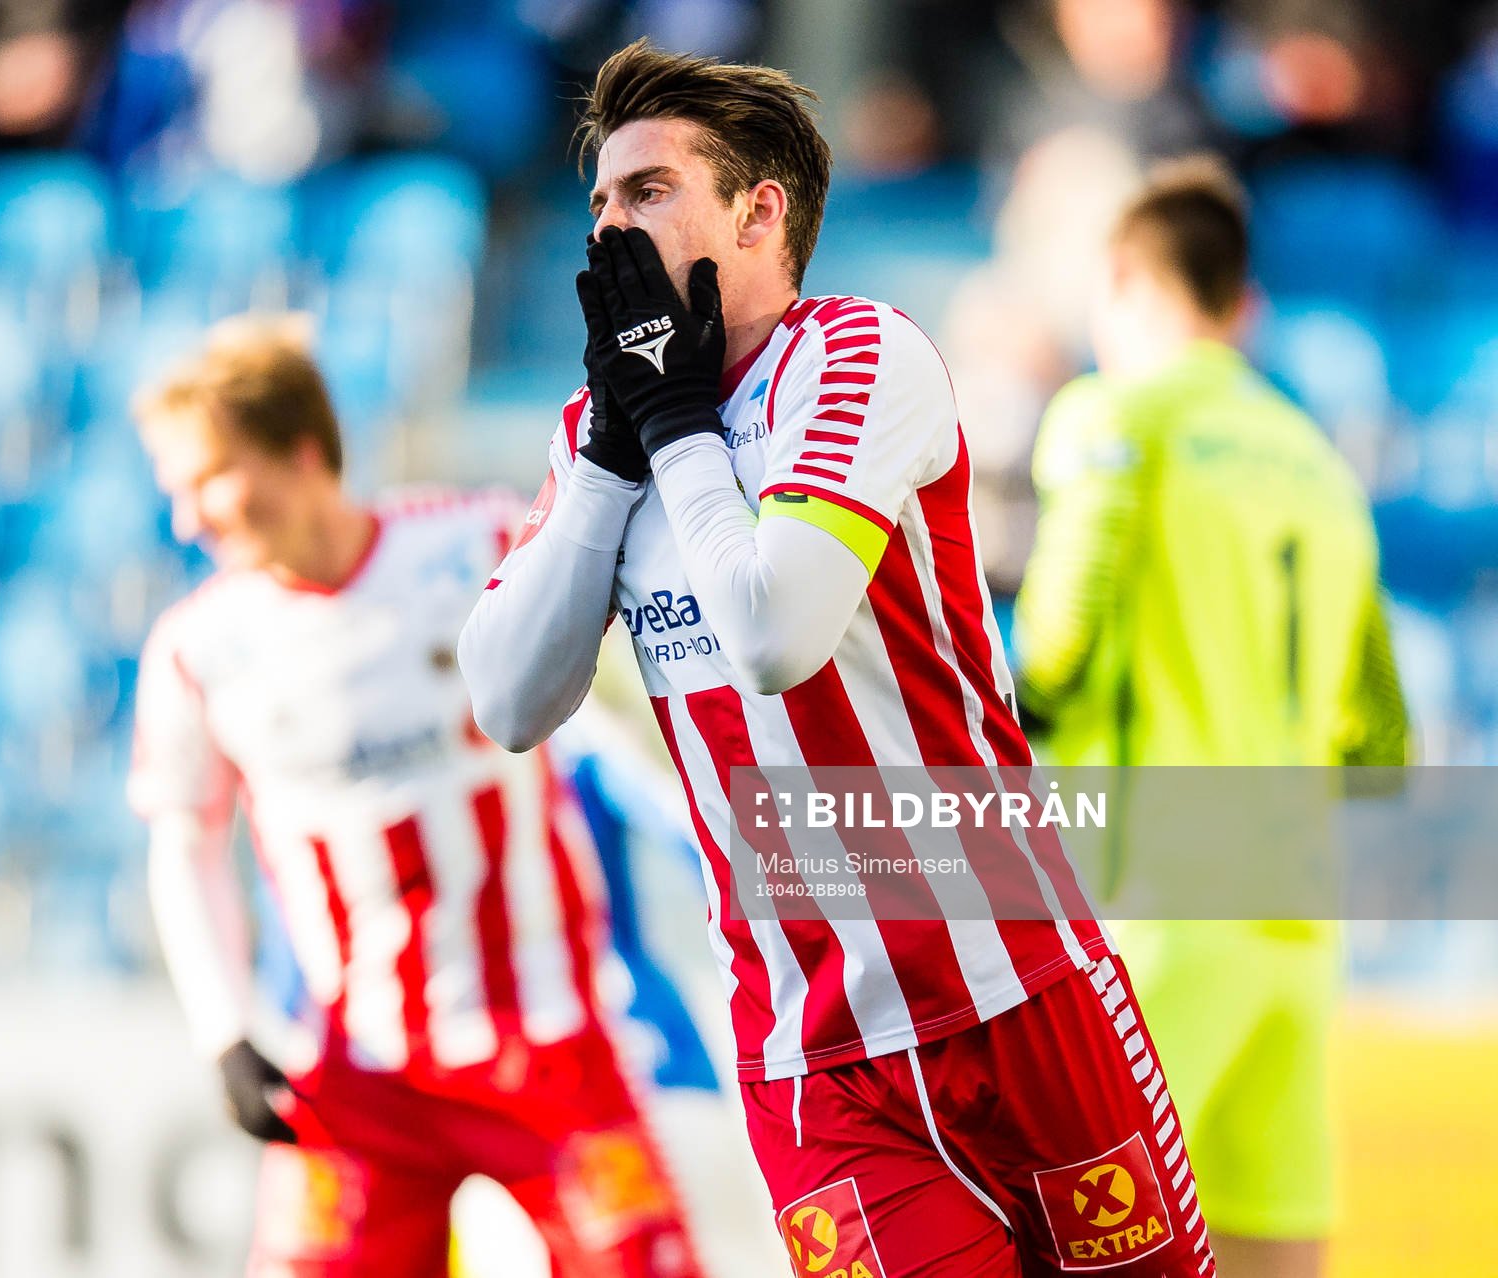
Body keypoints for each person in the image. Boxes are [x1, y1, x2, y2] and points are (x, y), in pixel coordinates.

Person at [461, 39, 1215, 1278]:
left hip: (1014, 994)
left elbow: (772, 636)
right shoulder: (591, 438)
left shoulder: (862, 358)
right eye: (599, 199)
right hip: (813, 1064)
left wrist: (675, 429)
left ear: (761, 213)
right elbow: (505, 700)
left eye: (648, 192)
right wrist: (613, 454)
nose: (608, 229)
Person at [126, 315, 705, 1278]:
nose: (188, 520)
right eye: (175, 493)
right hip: (357, 1081)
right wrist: (223, 1029)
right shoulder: (196, 648)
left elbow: (623, 723)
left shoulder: (473, 540)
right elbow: (184, 845)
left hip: (551, 1043)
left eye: (208, 481)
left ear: (302, 452)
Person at [1013, 158, 1407, 1278]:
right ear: (1239, 303)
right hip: (1293, 911)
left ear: (1127, 285)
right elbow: (1379, 734)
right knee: (1272, 1236)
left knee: (1073, 1239)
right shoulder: (1320, 463)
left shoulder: (1114, 417)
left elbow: (1059, 646)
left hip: (1160, 904)